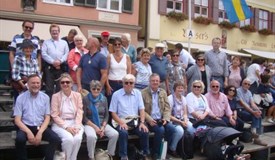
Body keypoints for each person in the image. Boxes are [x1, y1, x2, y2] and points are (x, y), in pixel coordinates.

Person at [14, 74, 61, 160]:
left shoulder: (45, 97)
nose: (36, 85)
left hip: (40, 127)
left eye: (37, 83)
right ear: (27, 84)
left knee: (55, 139)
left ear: (40, 84)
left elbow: (47, 118)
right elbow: (17, 120)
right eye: (33, 83)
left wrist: (39, 133)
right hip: (25, 127)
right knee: (19, 140)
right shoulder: (20, 98)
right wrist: (28, 132)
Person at [109, 74, 150, 160]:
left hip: (134, 121)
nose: (128, 85)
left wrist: (142, 123)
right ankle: (123, 156)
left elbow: (142, 110)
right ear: (123, 84)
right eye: (126, 83)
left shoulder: (138, 93)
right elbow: (113, 112)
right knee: (123, 132)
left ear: (134, 84)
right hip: (120, 120)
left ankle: (144, 154)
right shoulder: (116, 94)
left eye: (131, 83)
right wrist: (121, 122)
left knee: (144, 131)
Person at [142, 73, 178, 158]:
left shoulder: (163, 92)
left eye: (157, 81)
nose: (155, 82)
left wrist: (166, 118)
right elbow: (141, 110)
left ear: (159, 82)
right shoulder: (143, 93)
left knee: (172, 129)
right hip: (150, 120)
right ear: (149, 81)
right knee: (160, 130)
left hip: (161, 119)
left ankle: (163, 151)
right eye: (153, 81)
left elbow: (167, 107)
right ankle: (156, 153)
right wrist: (149, 119)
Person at [51, 73, 84, 160]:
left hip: (75, 122)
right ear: (60, 84)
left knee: (77, 138)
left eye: (67, 82)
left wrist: (77, 126)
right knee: (68, 139)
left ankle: (73, 158)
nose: (65, 84)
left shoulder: (77, 95)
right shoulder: (55, 96)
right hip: (60, 123)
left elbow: (80, 112)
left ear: (72, 84)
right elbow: (54, 115)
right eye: (62, 82)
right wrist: (66, 127)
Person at [83, 80, 118, 160]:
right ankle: (91, 157)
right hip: (90, 123)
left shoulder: (104, 99)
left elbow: (106, 115)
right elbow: (84, 117)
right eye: (94, 88)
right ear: (90, 89)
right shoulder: (86, 99)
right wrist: (95, 127)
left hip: (102, 123)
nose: (96, 90)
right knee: (91, 136)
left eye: (98, 89)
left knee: (114, 134)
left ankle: (109, 155)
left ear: (101, 89)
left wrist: (102, 127)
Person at [168, 81, 196, 154]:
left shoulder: (183, 98)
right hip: (172, 120)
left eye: (182, 88)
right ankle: (172, 148)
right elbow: (168, 115)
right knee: (180, 130)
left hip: (182, 119)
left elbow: (185, 113)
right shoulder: (170, 98)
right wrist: (180, 122)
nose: (180, 89)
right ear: (174, 89)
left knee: (192, 129)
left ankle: (187, 148)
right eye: (178, 88)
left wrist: (185, 120)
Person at [236, 79, 267, 146]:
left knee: (258, 115)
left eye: (248, 84)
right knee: (255, 115)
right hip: (239, 110)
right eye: (245, 83)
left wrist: (258, 110)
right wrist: (253, 112)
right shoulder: (238, 91)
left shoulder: (249, 92)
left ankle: (256, 136)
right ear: (242, 83)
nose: (247, 85)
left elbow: (252, 103)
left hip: (247, 110)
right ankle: (255, 135)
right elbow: (243, 104)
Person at [41, 24, 69, 98]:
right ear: (50, 32)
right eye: (53, 31)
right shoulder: (46, 43)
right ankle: (49, 107)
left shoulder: (64, 43)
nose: (55, 32)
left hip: (61, 67)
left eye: (56, 31)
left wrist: (60, 61)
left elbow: (66, 53)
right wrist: (53, 62)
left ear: (59, 32)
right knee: (49, 89)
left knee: (60, 87)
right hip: (49, 68)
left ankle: (59, 106)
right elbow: (44, 54)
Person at [106, 38, 131, 103]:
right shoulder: (109, 57)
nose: (117, 46)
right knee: (111, 103)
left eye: (119, 44)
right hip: (112, 83)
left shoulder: (127, 57)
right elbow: (106, 72)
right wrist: (107, 85)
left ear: (121, 45)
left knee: (123, 103)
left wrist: (128, 84)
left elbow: (129, 73)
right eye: (115, 44)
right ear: (113, 46)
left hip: (123, 84)